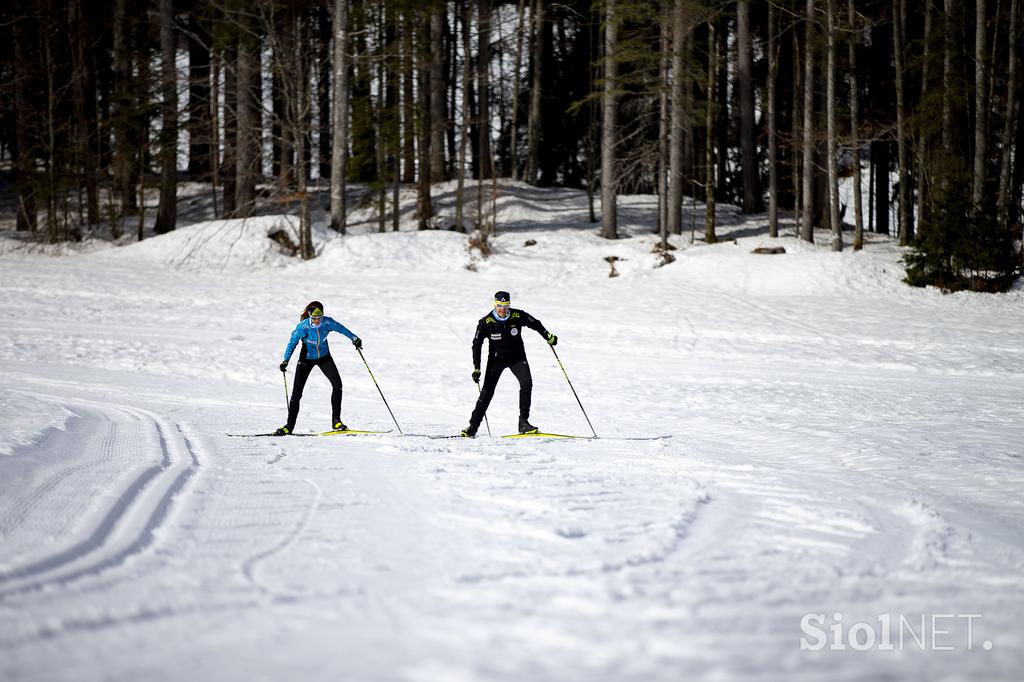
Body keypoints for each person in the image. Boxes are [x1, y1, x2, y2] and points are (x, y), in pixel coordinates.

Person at [461, 291, 557, 437]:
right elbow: (477, 344)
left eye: (505, 306)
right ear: (495, 305)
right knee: (487, 392)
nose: (502, 309)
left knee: (527, 383)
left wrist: (548, 336)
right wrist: (477, 367)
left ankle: (523, 423)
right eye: (499, 306)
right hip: (496, 360)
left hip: (517, 357)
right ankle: (472, 428)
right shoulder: (486, 322)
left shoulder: (517, 316)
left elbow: (535, 324)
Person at [275, 301, 362, 435]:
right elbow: (292, 343)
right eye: (314, 318)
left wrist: (354, 338)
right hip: (306, 359)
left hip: (324, 357)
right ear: (309, 316)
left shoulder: (328, 323)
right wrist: (285, 360)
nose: (317, 321)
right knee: (296, 393)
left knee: (337, 384)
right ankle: (289, 426)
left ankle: (336, 421)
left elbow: (342, 329)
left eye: (319, 317)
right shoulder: (303, 327)